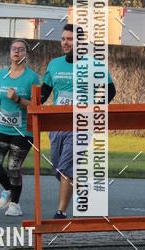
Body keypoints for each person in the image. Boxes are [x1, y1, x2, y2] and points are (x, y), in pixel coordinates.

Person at [41, 23, 116, 218]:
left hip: (81, 124)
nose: (66, 43)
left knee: (66, 167)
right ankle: (82, 186)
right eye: (63, 39)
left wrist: (95, 109)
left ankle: (60, 212)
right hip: (57, 125)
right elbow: (43, 94)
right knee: (59, 167)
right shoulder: (54, 64)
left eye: (70, 39)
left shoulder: (94, 64)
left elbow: (110, 90)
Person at [0, 39, 40, 216]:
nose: (17, 52)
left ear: (26, 53)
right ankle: (9, 190)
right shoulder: (2, 74)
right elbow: (4, 97)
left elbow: (35, 105)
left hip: (23, 130)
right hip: (2, 127)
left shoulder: (32, 77)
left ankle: (15, 205)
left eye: (21, 49)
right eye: (14, 49)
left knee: (13, 168)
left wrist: (18, 99)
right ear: (10, 52)